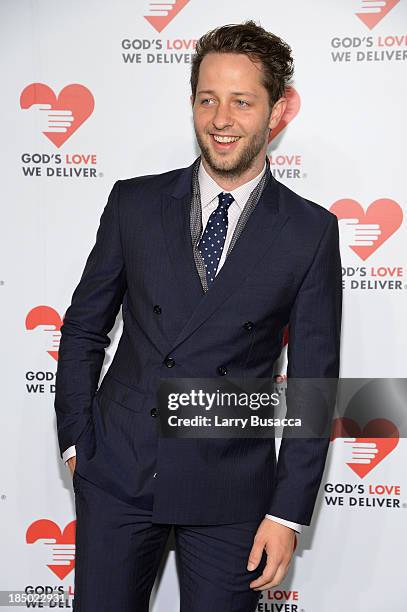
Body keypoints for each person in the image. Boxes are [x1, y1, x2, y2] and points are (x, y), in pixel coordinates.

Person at [55, 20, 342, 611]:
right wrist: (78, 440)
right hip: (119, 471)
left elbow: (314, 383)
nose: (221, 119)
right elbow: (85, 326)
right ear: (192, 103)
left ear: (277, 111)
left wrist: (287, 512)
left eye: (242, 101)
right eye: (208, 99)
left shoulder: (310, 232)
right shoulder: (133, 203)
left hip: (231, 487)